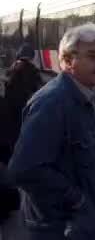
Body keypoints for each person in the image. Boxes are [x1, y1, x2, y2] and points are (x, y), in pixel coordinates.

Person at [8, 23, 95, 240]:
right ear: (67, 61)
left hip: (82, 221)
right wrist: (78, 201)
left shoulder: (88, 94)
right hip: (60, 227)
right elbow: (23, 169)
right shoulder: (53, 102)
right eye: (93, 57)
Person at [0, 44, 43, 221]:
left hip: (9, 117)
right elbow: (39, 92)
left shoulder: (11, 70)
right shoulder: (32, 71)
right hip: (23, 116)